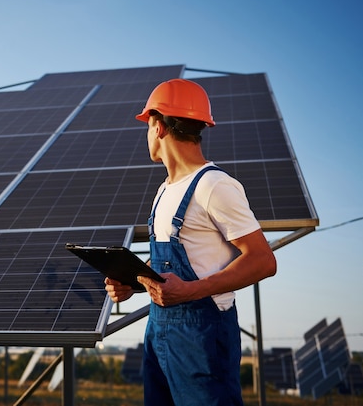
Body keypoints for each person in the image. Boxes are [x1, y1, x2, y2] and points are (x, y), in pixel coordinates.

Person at [105, 79, 277, 405]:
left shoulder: (214, 185)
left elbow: (263, 260)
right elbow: (168, 269)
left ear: (158, 127)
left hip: (203, 338)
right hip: (159, 334)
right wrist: (134, 282)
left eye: (147, 124)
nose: (146, 133)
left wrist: (189, 291)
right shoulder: (164, 191)